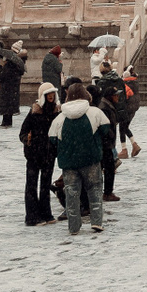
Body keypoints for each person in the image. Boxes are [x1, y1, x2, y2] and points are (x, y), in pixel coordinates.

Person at [53, 83, 111, 235]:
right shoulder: (95, 112)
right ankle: (96, 221)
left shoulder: (60, 117)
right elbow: (106, 129)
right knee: (95, 189)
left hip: (68, 162)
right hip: (91, 158)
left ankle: (73, 226)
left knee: (71, 193)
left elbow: (52, 138)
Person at [20, 82, 60, 224]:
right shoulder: (34, 112)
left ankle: (45, 213)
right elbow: (23, 132)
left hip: (49, 153)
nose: (51, 96)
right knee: (31, 184)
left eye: (53, 93)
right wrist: (28, 140)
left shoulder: (56, 112)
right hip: (34, 154)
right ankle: (32, 216)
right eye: (48, 94)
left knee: (45, 184)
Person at [0, 42, 26, 126]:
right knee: (9, 106)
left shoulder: (9, 65)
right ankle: (8, 121)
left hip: (6, 88)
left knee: (6, 105)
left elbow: (2, 76)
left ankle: (5, 122)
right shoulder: (18, 64)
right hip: (13, 89)